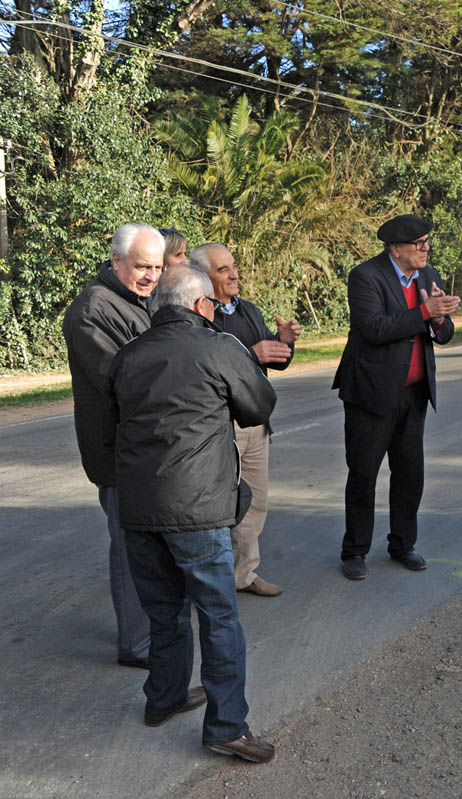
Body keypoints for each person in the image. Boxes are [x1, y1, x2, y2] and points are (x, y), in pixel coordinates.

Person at [107, 264, 277, 762]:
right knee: (219, 615)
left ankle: (164, 698)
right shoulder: (218, 346)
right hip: (197, 507)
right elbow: (259, 405)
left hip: (139, 506)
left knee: (164, 611)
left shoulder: (127, 356)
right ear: (202, 305)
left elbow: (110, 425)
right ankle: (226, 724)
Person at [333, 214, 460, 581]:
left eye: (427, 243)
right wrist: (424, 312)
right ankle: (355, 550)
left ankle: (403, 544)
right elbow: (373, 329)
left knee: (410, 473)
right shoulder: (366, 276)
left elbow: (445, 333)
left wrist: (438, 318)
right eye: (418, 244)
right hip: (371, 393)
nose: (425, 249)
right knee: (364, 473)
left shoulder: (428, 275)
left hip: (414, 393)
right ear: (395, 248)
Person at [62, 223, 162, 668]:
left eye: (157, 267)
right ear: (116, 260)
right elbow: (123, 379)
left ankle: (151, 632)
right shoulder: (91, 310)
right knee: (128, 548)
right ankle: (136, 644)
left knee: (147, 545)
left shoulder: (139, 300)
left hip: (146, 446)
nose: (151, 275)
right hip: (119, 450)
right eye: (142, 265)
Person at [192, 242, 301, 597]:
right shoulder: (199, 316)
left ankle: (243, 575)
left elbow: (274, 360)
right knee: (215, 508)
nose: (234, 274)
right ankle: (209, 582)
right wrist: (252, 354)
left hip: (254, 423)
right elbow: (206, 368)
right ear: (202, 278)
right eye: (223, 270)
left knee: (255, 503)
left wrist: (283, 342)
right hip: (218, 426)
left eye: (234, 266)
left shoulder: (249, 311)